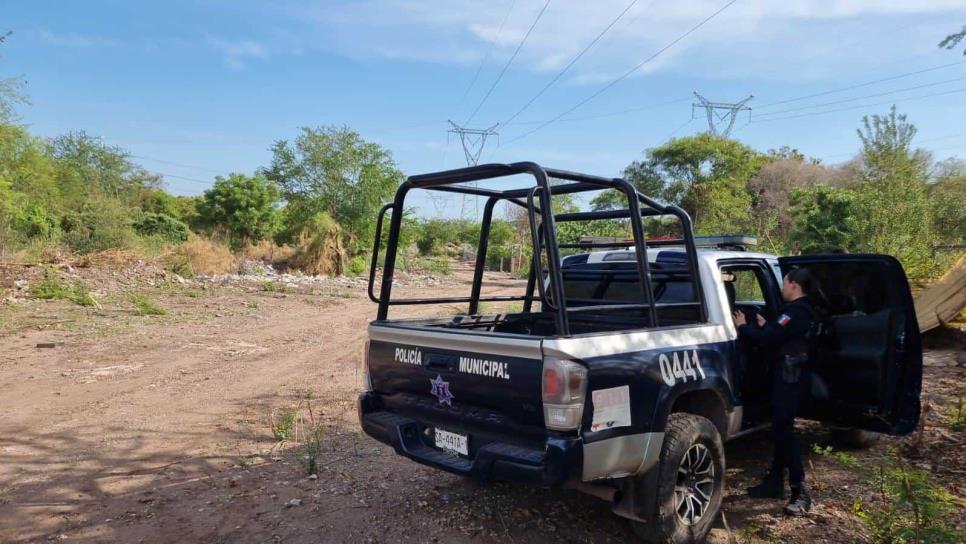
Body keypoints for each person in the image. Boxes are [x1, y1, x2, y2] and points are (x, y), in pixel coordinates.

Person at [732, 267, 820, 516]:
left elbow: (765, 339)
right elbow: (780, 334)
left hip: (789, 378)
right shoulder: (801, 311)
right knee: (781, 428)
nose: (781, 288)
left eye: (784, 283)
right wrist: (766, 325)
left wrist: (743, 327)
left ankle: (800, 491)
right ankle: (773, 483)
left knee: (784, 431)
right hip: (790, 375)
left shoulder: (796, 312)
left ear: (794, 285)